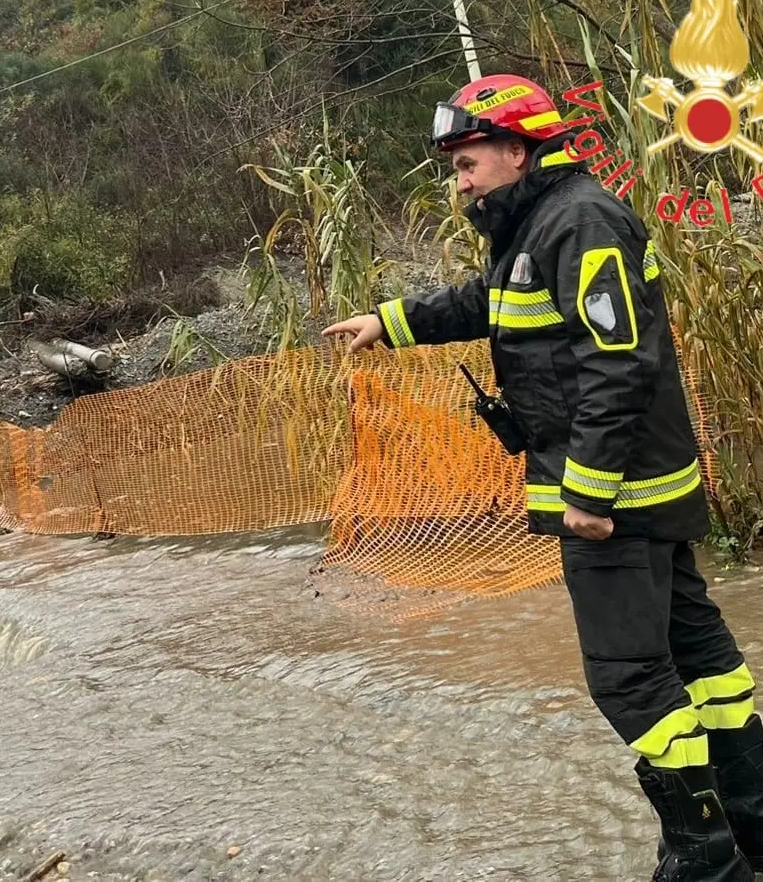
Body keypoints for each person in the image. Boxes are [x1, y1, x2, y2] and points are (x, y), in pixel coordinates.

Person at [323, 73, 763, 881]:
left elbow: (618, 363)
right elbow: (489, 302)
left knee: (631, 678)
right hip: (642, 494)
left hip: (616, 502)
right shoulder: (537, 225)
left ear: (517, 149)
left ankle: (705, 856)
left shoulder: (582, 220)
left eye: (467, 160)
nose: (459, 177)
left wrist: (588, 496)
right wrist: (389, 322)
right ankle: (750, 821)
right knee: (699, 659)